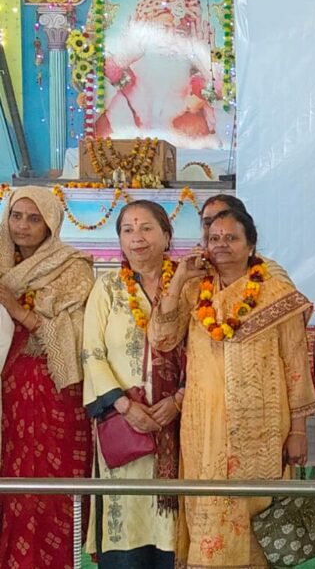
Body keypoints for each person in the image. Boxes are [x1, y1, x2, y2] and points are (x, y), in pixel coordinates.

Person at [151, 208, 315, 567]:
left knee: (257, 523)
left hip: (263, 430)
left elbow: (295, 365)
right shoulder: (195, 292)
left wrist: (299, 430)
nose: (222, 245)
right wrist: (179, 278)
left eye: (231, 238)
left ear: (251, 245)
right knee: (208, 521)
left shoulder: (277, 294)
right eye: (214, 238)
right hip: (205, 431)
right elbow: (162, 338)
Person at [83, 201, 184, 568]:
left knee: (174, 534)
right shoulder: (107, 288)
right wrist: (126, 407)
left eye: (146, 228)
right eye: (127, 229)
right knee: (125, 530)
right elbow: (91, 353)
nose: (137, 237)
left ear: (167, 235)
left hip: (180, 426)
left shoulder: (190, 288)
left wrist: (178, 401)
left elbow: (205, 354)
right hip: (123, 426)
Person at [0, 187, 95, 568]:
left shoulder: (72, 267)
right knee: (11, 483)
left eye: (34, 217)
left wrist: (14, 307)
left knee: (53, 485)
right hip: (9, 394)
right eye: (17, 215)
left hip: (58, 392)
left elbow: (74, 334)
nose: (22, 226)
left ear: (51, 223)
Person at [95, 0, 224, 148]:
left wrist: (204, 60)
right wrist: (124, 58)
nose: (170, 40)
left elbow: (221, 96)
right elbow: (102, 84)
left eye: (180, 33)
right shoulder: (126, 73)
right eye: (163, 29)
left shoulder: (194, 81)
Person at [199, 194, 293, 285]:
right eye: (207, 223)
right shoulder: (196, 273)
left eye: (223, 217)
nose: (215, 225)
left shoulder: (273, 278)